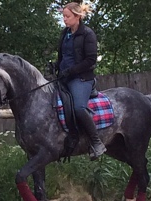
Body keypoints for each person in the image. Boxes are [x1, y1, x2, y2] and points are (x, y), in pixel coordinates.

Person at [56, 2, 106, 160]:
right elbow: (63, 56)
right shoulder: (65, 34)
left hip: (82, 79)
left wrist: (70, 71)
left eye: (67, 16)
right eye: (63, 16)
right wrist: (56, 66)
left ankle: (96, 142)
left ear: (77, 17)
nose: (64, 19)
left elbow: (90, 60)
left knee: (78, 107)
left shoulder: (87, 34)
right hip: (64, 77)